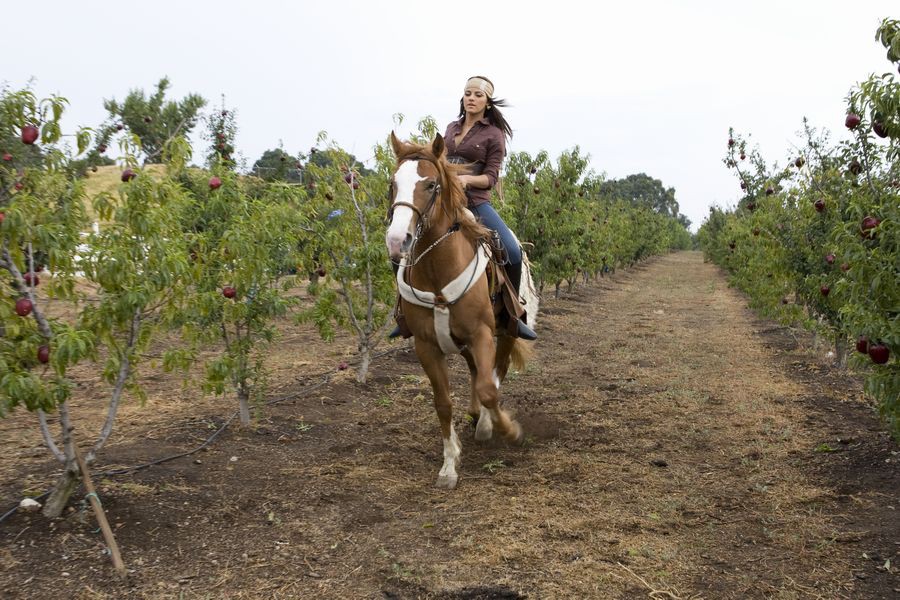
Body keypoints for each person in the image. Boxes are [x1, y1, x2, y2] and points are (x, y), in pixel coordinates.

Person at [390, 75, 536, 340]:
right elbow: (438, 162)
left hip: (477, 202)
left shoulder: (494, 135)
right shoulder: (450, 128)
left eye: (478, 95)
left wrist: (466, 179)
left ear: (488, 102)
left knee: (511, 250)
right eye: (468, 93)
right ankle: (404, 313)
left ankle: (513, 315)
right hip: (445, 201)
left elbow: (491, 177)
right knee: (399, 245)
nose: (472, 98)